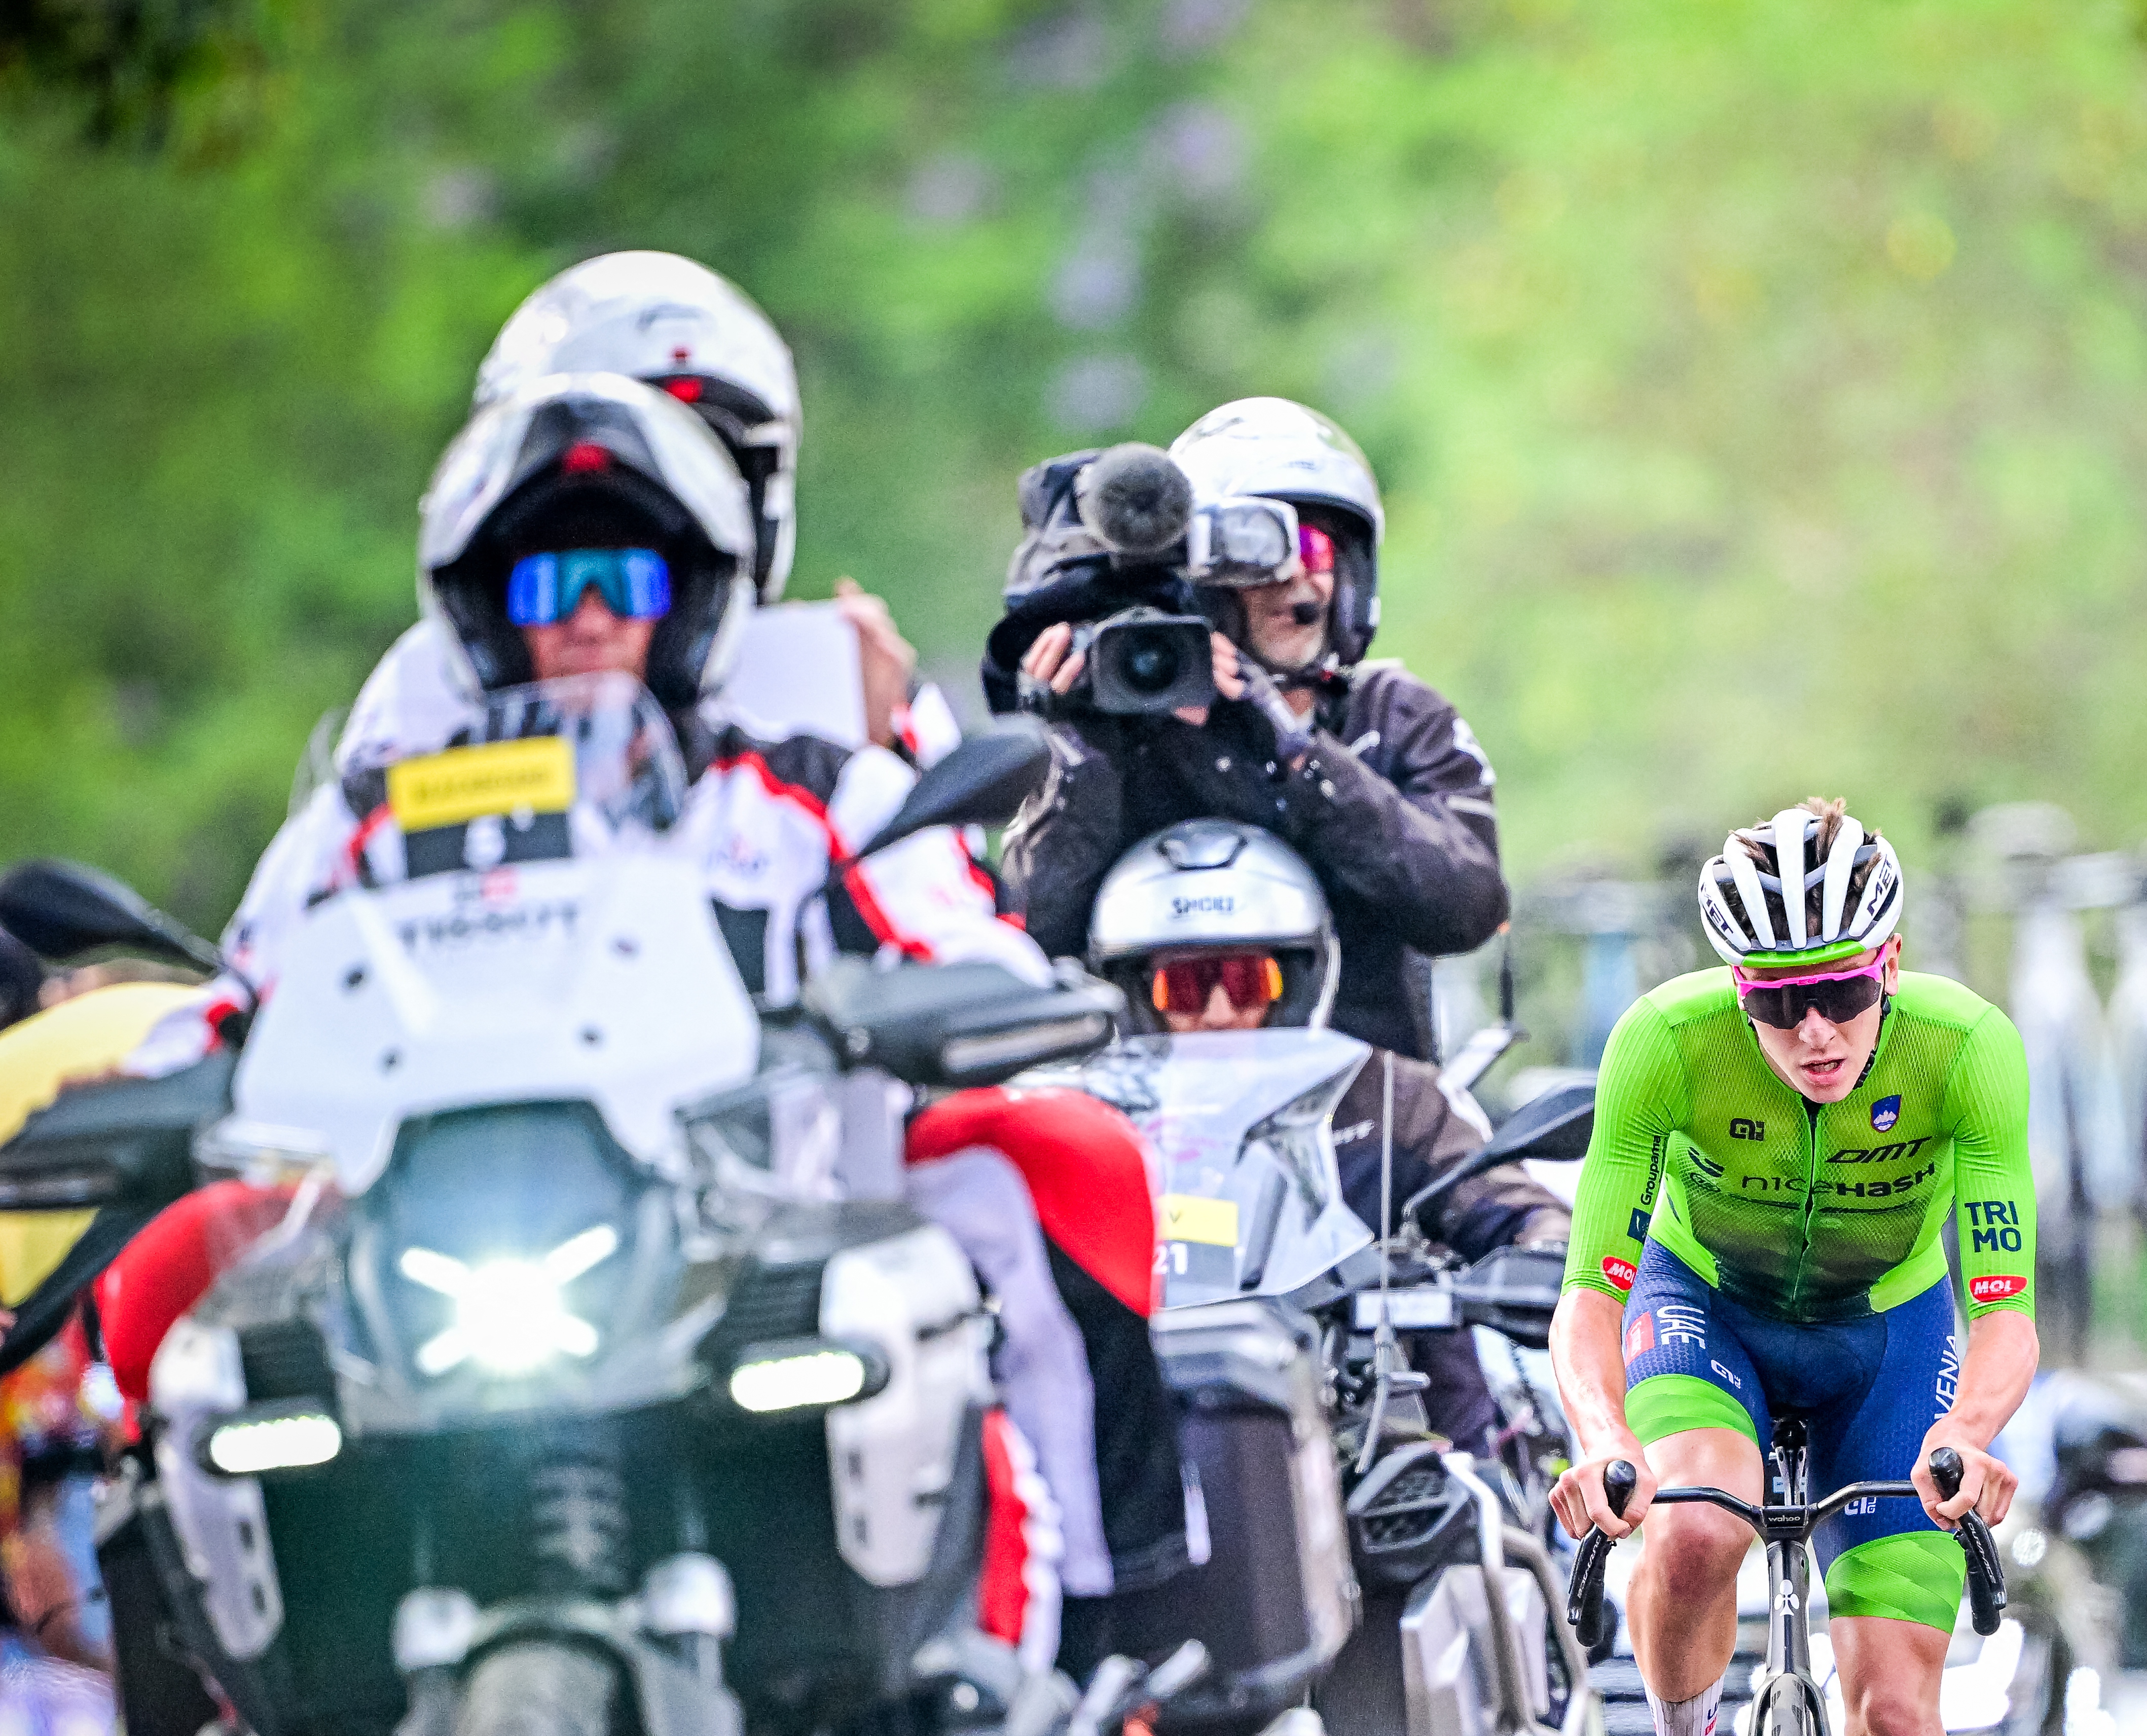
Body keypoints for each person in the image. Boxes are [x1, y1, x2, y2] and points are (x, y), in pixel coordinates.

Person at [1544, 799, 2035, 1736]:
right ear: (1736, 994)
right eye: (1779, 1004)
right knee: (1693, 1531)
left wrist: (1966, 1437)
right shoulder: (1663, 1046)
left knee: (1896, 1724)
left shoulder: (1968, 1052)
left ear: (1888, 968)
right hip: (1714, 1321)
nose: (1815, 1033)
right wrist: (1600, 1439)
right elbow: (1594, 1294)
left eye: (1842, 995)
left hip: (1892, 1344)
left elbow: (2002, 1312)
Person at [992, 400, 1505, 1062]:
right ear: (1199, 579)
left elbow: (1467, 909)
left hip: (1370, 1130)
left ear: (1352, 572)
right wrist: (1080, 750)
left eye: (1314, 545)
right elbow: (1026, 941)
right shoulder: (1127, 722)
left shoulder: (1397, 715)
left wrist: (1298, 753)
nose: (1291, 573)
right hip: (1146, 1119)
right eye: (1257, 554)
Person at [1089, 819, 1568, 1462]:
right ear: (1136, 996)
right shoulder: (1089, 1121)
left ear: (1298, 980)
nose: (1222, 1011)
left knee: (1478, 1517)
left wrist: (1544, 1244)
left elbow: (1500, 1197)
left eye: (1247, 981)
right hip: (1150, 1425)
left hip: (1389, 1428)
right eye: (1187, 985)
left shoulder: (1391, 1095)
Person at [344, 250, 939, 762]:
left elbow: (955, 884)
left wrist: (889, 750)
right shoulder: (425, 684)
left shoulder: (841, 672)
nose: (591, 618)